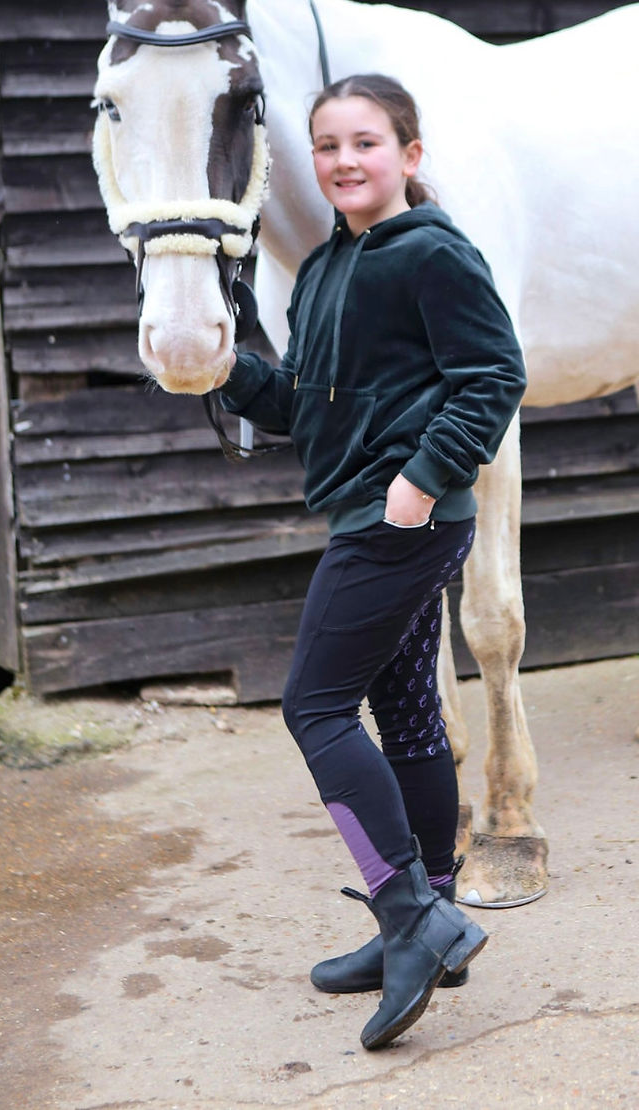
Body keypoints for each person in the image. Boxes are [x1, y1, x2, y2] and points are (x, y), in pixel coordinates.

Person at [215, 73, 527, 1050]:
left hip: (403, 522)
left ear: (408, 155)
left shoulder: (430, 250)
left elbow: (494, 373)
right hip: (370, 513)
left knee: (312, 703)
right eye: (327, 146)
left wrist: (425, 474)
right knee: (401, 707)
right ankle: (426, 906)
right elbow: (309, 405)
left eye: (364, 141)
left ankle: (410, 917)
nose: (344, 160)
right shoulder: (322, 271)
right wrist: (226, 372)